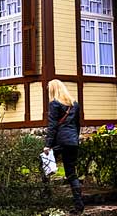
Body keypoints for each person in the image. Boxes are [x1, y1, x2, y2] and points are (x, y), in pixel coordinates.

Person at [44, 79, 83, 215]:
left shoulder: (54, 104)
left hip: (60, 141)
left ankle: (46, 197)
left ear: (52, 90)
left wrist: (48, 145)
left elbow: (53, 125)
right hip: (72, 141)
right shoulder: (74, 104)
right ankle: (79, 206)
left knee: (44, 165)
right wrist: (75, 140)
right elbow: (78, 125)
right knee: (72, 173)